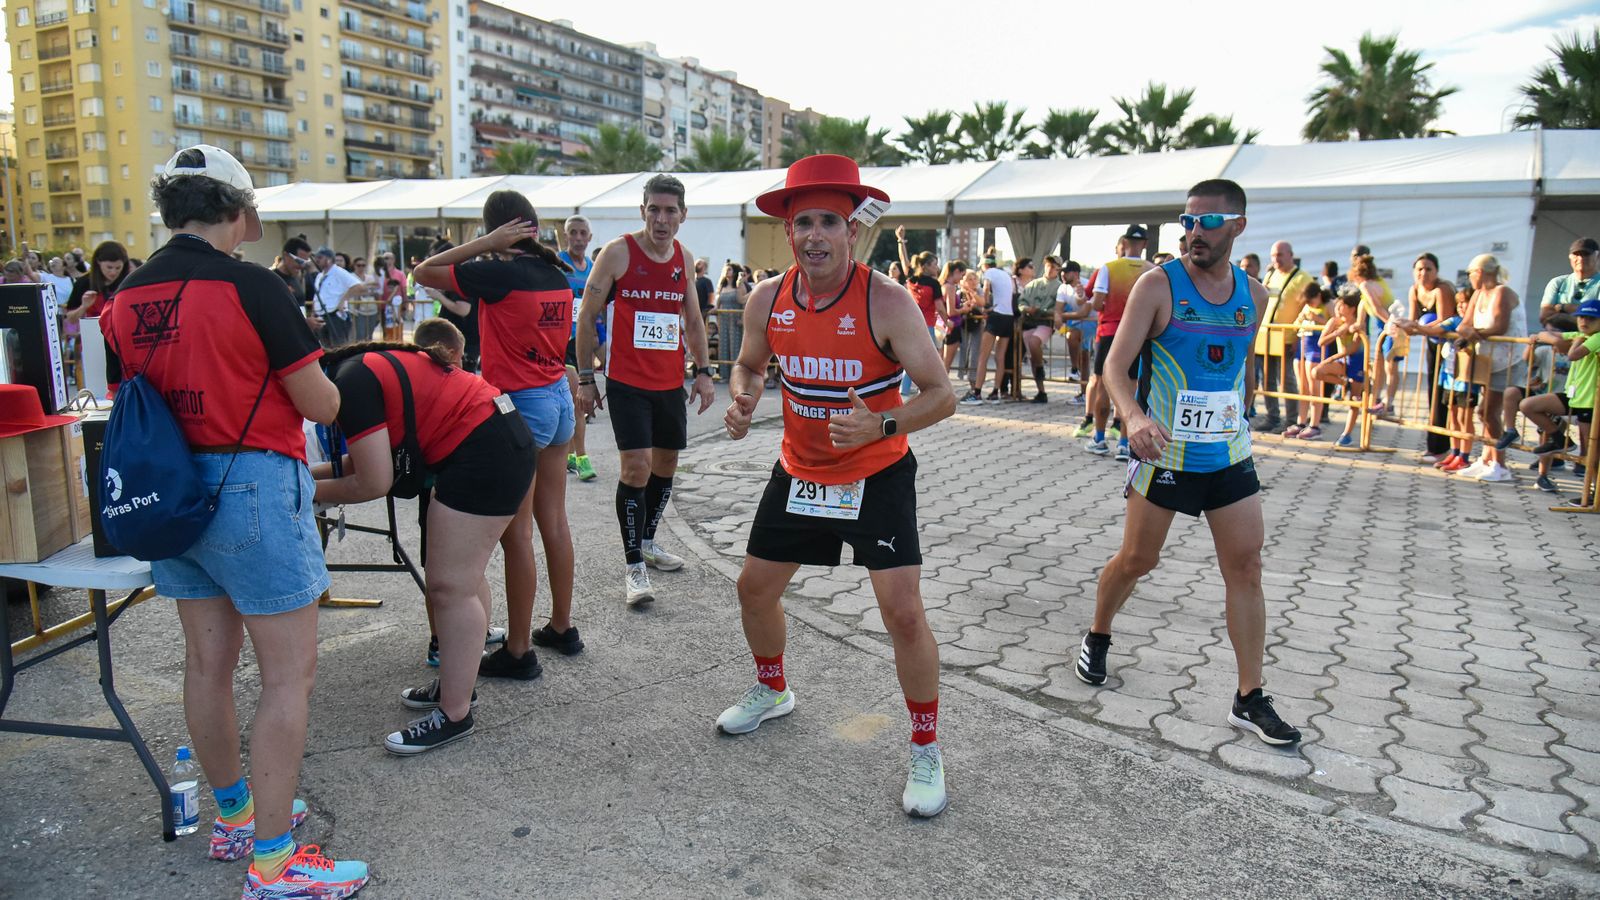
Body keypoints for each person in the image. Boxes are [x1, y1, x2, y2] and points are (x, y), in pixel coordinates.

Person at [102, 145, 366, 898]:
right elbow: (320, 402)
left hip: (168, 491)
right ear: (239, 212)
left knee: (205, 666)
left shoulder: (125, 297)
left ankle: (235, 818)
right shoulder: (254, 286)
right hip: (249, 480)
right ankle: (276, 862)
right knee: (288, 675)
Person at [721, 154, 957, 817]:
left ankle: (925, 747)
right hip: (799, 471)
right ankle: (773, 691)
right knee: (754, 589)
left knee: (903, 613)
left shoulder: (887, 300)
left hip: (877, 473)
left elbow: (942, 396)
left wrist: (881, 422)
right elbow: (746, 366)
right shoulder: (769, 297)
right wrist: (744, 399)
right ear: (789, 232)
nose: (814, 236)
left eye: (829, 221)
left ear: (852, 231)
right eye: (803, 223)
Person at [1076, 178, 1299, 748]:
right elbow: (1114, 368)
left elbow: (1241, 362)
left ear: (1238, 227)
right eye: (1187, 220)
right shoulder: (1159, 285)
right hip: (1164, 452)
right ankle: (1099, 633)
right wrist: (1133, 418)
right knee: (1137, 559)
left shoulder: (1255, 292)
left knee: (1246, 566)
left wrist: (1244, 408)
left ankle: (1250, 696)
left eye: (1208, 222)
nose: (1193, 232)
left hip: (1227, 452)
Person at [314, 318, 535, 753]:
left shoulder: (350, 384)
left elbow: (373, 481)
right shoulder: (356, 370)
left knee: (450, 587)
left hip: (483, 449)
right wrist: (301, 475)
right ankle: (458, 685)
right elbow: (364, 461)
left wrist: (297, 490)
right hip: (495, 436)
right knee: (461, 581)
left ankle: (455, 715)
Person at [414, 191, 584, 676]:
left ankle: (517, 651)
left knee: (517, 537)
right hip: (556, 399)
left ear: (500, 231)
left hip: (522, 406)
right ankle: (562, 627)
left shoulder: (497, 272)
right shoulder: (556, 274)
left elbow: (424, 272)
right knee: (555, 521)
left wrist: (482, 243)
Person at [575, 174, 715, 607]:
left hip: (670, 382)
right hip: (627, 383)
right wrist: (585, 377)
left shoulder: (683, 257)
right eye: (653, 209)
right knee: (635, 469)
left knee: (666, 465)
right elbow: (587, 316)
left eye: (670, 210)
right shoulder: (618, 253)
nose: (661, 218)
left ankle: (649, 541)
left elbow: (692, 320)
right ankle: (633, 564)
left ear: (683, 216)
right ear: (642, 211)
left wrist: (705, 371)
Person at [1454, 254, 1526, 483]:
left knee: (1488, 412)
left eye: (1470, 274)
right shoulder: (1478, 294)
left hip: (1508, 361)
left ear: (1480, 272)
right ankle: (1487, 458)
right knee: (1486, 413)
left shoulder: (1502, 292)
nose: (1469, 279)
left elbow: (1500, 325)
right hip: (1488, 361)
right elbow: (1464, 323)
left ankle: (1500, 464)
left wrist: (1473, 334)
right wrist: (1470, 332)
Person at [1084, 228, 1153, 460]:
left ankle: (1099, 438)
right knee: (1131, 389)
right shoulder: (1152, 270)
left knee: (1104, 384)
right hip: (1137, 334)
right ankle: (1125, 443)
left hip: (1109, 332)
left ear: (1124, 242)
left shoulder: (1108, 268)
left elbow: (1097, 303)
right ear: (1144, 244)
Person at [1524, 301, 1600, 491]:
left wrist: (1573, 342)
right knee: (1528, 405)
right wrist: (1539, 336)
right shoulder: (1582, 334)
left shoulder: (1596, 338)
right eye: (1581, 317)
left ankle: (1593, 494)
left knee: (1590, 453)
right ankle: (1559, 439)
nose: (1584, 321)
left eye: (1591, 318)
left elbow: (1573, 355)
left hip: (1590, 402)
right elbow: (1549, 334)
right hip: (1573, 396)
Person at [1400, 253, 1458, 462]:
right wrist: (1401, 323)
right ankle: (1434, 446)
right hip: (1433, 345)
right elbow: (1413, 318)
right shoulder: (1414, 289)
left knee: (1445, 396)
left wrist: (1419, 328)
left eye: (1428, 269)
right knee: (1433, 393)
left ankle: (1444, 448)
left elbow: (1445, 321)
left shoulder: (1442, 289)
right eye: (1419, 269)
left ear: (1437, 271)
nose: (1423, 273)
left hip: (1451, 345)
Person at [1256, 241, 1314, 435]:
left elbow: (1311, 307)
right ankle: (1272, 416)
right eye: (1273, 255)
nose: (1276, 259)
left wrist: (1298, 335)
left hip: (1288, 338)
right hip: (1267, 335)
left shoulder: (1303, 278)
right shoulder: (1271, 274)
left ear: (1291, 255)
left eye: (1280, 255)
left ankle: (1291, 419)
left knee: (1287, 380)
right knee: (1267, 379)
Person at [558, 215, 599, 482]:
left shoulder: (594, 267)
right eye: (573, 233)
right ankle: (582, 457)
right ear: (566, 236)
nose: (578, 238)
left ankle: (572, 454)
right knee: (576, 399)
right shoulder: (557, 263)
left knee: (574, 400)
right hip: (558, 341)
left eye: (583, 233)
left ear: (590, 238)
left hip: (582, 341)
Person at [1312, 287, 1367, 448]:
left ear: (1351, 308)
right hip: (1343, 361)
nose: (1337, 308)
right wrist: (1337, 332)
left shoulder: (1358, 325)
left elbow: (1353, 349)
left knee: (1354, 400)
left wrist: (1333, 357)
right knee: (1318, 372)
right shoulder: (1334, 321)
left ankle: (1347, 434)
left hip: (1357, 362)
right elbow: (1321, 342)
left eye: (1341, 305)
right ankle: (1344, 384)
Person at [962, 249, 1016, 404]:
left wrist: (977, 298)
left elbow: (985, 295)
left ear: (984, 265)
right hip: (1008, 316)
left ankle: (977, 393)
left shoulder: (989, 274)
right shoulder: (1005, 274)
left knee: (982, 357)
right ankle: (995, 393)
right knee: (1000, 357)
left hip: (996, 315)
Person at [895, 226, 942, 397]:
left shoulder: (912, 279)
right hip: (927, 325)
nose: (937, 267)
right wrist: (949, 321)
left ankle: (905, 390)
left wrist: (901, 240)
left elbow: (903, 260)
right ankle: (933, 390)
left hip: (908, 323)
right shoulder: (933, 283)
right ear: (925, 266)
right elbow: (941, 307)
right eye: (934, 264)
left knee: (910, 358)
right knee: (930, 358)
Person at [428, 238, 481, 373]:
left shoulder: (459, 279)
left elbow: (463, 309)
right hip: (460, 340)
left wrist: (439, 297)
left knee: (462, 378)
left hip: (464, 342)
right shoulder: (456, 279)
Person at [1017, 256, 1063, 402]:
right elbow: (1021, 302)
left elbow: (1060, 308)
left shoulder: (1060, 287)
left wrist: (1045, 312)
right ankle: (1041, 391)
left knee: (1034, 343)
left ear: (1058, 268)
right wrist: (1027, 308)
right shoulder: (1033, 284)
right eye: (1048, 265)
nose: (1050, 268)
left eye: (1054, 266)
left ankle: (1040, 367)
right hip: (1030, 322)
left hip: (1045, 323)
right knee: (1032, 357)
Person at [1289, 282, 1330, 440]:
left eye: (1311, 301)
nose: (1309, 305)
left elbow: (1335, 324)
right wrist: (1302, 319)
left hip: (1316, 348)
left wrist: (1318, 319)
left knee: (1315, 388)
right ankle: (1301, 421)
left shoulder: (1328, 306)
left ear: (1318, 296)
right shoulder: (1306, 308)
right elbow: (1295, 325)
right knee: (1303, 387)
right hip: (1303, 346)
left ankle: (1315, 424)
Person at [64, 240, 129, 323]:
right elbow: (70, 320)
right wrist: (83, 307)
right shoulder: (83, 283)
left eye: (118, 268)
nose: (113, 272)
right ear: (98, 262)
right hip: (93, 332)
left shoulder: (128, 282)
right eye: (109, 267)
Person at [1540, 238, 1600, 324]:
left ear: (1597, 256)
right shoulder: (1558, 283)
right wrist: (1586, 315)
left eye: (1586, 254)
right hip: (1557, 335)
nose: (1580, 258)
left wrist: (1563, 308)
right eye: (1576, 254)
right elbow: (1544, 316)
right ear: (1570, 257)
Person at [310, 247, 360, 349]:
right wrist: (313, 312)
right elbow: (318, 295)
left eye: (320, 257)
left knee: (339, 348)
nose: (317, 260)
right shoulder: (320, 275)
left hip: (335, 316)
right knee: (325, 347)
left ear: (329, 259)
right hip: (321, 316)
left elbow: (358, 286)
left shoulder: (339, 272)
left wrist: (343, 301)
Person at [716, 262, 751, 382]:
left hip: (736, 319)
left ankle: (736, 374)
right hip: (723, 319)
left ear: (735, 271)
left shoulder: (740, 285)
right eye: (726, 269)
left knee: (735, 346)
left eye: (730, 269)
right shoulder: (722, 286)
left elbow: (744, 301)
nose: (727, 271)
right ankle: (724, 374)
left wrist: (743, 318)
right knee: (723, 346)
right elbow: (718, 304)